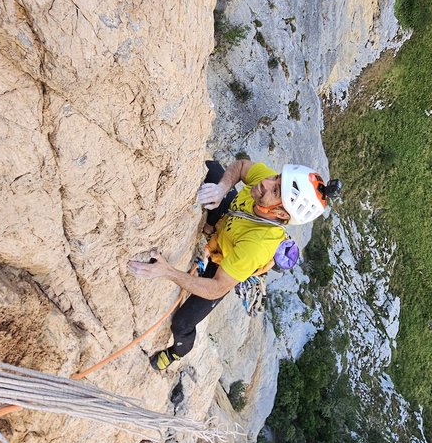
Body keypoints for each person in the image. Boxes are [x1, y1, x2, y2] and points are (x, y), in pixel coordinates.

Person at [128, 159, 335, 371]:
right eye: (276, 178)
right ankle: (212, 224)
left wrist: (167, 271)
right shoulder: (265, 185)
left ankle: (176, 353)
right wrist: (221, 189)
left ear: (281, 214)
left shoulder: (256, 246)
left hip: (224, 264)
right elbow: (242, 166)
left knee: (182, 323)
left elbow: (217, 287)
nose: (266, 182)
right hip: (228, 227)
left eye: (275, 190)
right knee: (214, 170)